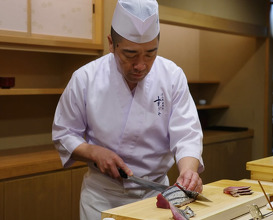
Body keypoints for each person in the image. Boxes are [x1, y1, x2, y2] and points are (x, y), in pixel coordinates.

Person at [52, 0, 204, 219]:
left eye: (150, 54)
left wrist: (188, 171)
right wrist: (94, 152)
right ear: (111, 44)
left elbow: (187, 133)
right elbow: (64, 133)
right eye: (130, 54)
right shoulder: (86, 78)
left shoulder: (172, 76)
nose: (141, 65)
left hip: (156, 195)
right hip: (103, 198)